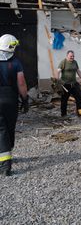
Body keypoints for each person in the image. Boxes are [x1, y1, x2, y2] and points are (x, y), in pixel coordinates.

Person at [0, 34, 28, 176]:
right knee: (9, 128)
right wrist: (25, 99)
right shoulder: (16, 62)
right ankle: (6, 163)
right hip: (11, 99)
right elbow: (21, 83)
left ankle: (5, 159)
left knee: (1, 129)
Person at [57, 50, 81, 117]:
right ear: (67, 56)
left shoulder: (75, 62)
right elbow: (58, 71)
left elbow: (78, 71)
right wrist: (57, 80)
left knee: (79, 98)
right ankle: (63, 115)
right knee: (64, 100)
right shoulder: (63, 62)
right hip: (66, 85)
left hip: (74, 84)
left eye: (73, 56)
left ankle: (80, 113)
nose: (72, 57)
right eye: (70, 56)